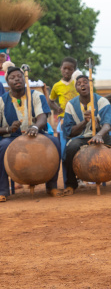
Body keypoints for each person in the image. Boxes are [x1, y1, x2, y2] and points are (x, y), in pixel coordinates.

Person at [62, 74, 111, 195]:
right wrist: (84, 122)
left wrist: (99, 135)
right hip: (81, 137)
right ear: (76, 88)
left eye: (85, 82)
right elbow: (69, 131)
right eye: (79, 83)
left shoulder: (102, 101)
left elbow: (108, 124)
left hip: (101, 135)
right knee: (70, 148)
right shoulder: (70, 105)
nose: (82, 84)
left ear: (91, 85)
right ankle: (71, 184)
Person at [0, 67, 63, 202]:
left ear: (24, 79)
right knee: (2, 147)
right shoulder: (1, 100)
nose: (17, 79)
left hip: (36, 134)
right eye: (12, 77)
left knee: (55, 142)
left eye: (19, 76)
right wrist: (8, 129)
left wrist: (35, 126)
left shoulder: (36, 95)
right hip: (12, 138)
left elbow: (42, 116)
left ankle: (51, 186)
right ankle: (3, 190)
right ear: (8, 83)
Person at [48, 57, 79, 185]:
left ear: (74, 70)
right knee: (64, 152)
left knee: (78, 149)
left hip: (78, 121)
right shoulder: (57, 86)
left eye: (70, 69)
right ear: (61, 69)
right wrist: (57, 109)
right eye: (64, 68)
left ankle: (80, 177)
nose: (67, 71)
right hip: (63, 121)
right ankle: (67, 181)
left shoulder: (77, 83)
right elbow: (51, 101)